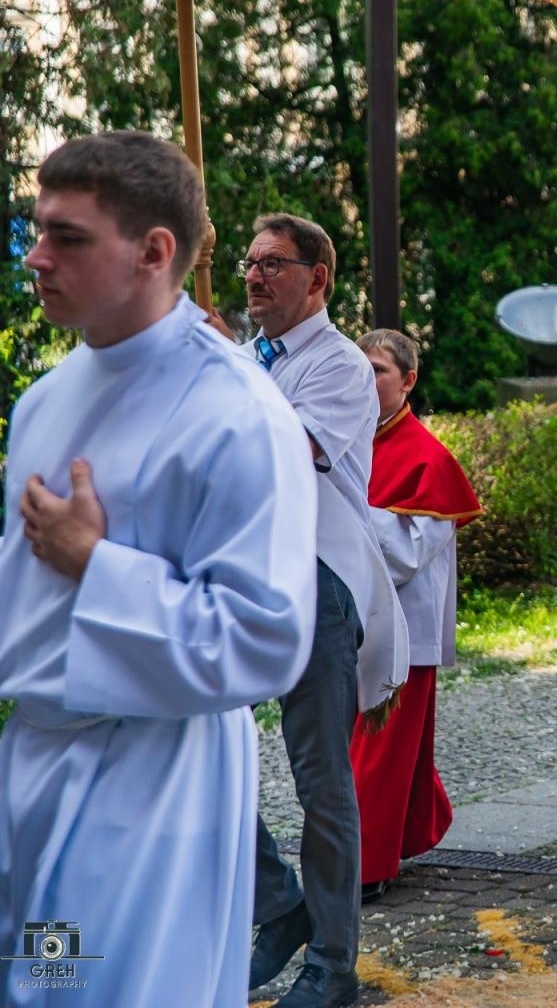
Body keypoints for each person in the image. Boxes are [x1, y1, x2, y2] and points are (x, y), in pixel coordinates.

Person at [0, 131, 316, 1005]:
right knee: (36, 984)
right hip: (34, 769)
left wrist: (96, 564)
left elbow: (265, 639)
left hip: (147, 792)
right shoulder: (45, 400)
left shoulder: (236, 415)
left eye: (68, 238)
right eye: (37, 232)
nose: (38, 259)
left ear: (153, 251)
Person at [244, 213, 409, 1008]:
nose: (251, 275)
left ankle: (332, 963)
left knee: (321, 780)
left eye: (272, 262)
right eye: (247, 261)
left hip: (315, 580)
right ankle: (280, 903)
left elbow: (290, 450)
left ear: (317, 278)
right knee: (193, 741)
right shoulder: (244, 361)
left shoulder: (341, 364)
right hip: (242, 578)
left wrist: (219, 390)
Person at [349, 329, 482, 903]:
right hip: (348, 621)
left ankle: (363, 866)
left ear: (408, 382)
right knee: (387, 752)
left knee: (377, 753)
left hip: (403, 631)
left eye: (378, 370)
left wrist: (343, 509)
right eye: (358, 368)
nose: (365, 379)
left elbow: (404, 555)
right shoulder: (345, 442)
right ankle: (415, 825)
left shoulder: (429, 457)